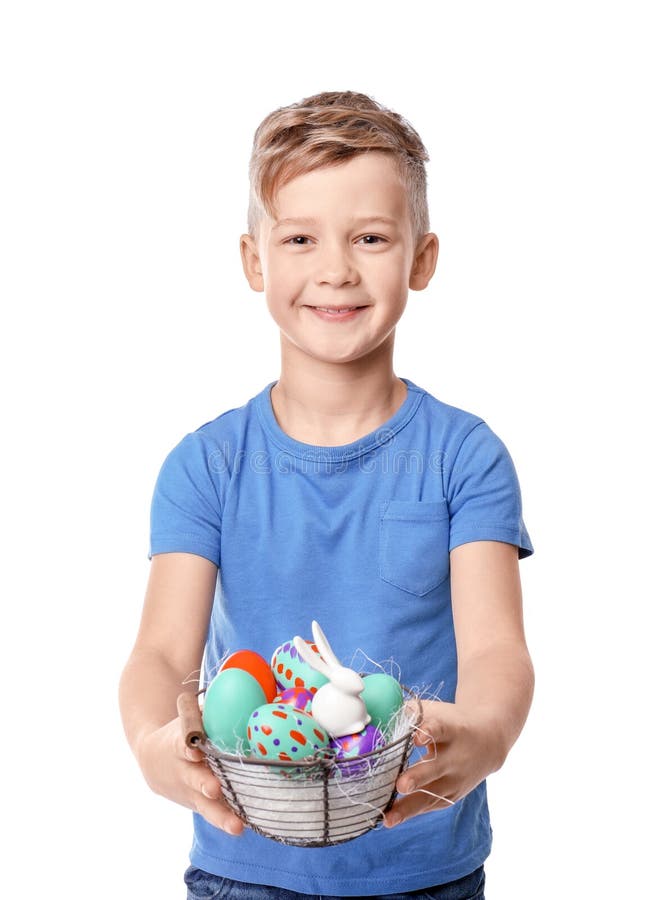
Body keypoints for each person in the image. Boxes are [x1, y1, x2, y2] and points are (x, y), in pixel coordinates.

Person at [119, 90, 535, 900]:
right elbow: (163, 654)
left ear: (421, 257)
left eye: (371, 238)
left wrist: (486, 734)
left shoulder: (464, 456)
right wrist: (151, 742)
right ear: (254, 261)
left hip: (424, 869)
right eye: (300, 238)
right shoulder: (207, 465)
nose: (335, 269)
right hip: (245, 865)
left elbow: (495, 651)